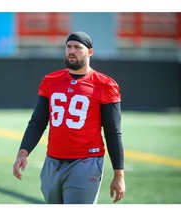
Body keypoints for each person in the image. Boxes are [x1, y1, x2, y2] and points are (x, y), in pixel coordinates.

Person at [13, 31, 125, 204]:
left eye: (77, 47)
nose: (71, 51)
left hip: (85, 162)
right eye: (68, 47)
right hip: (52, 161)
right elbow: (38, 122)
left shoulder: (105, 84)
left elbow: (113, 132)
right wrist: (23, 153)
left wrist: (119, 174)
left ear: (90, 52)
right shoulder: (51, 80)